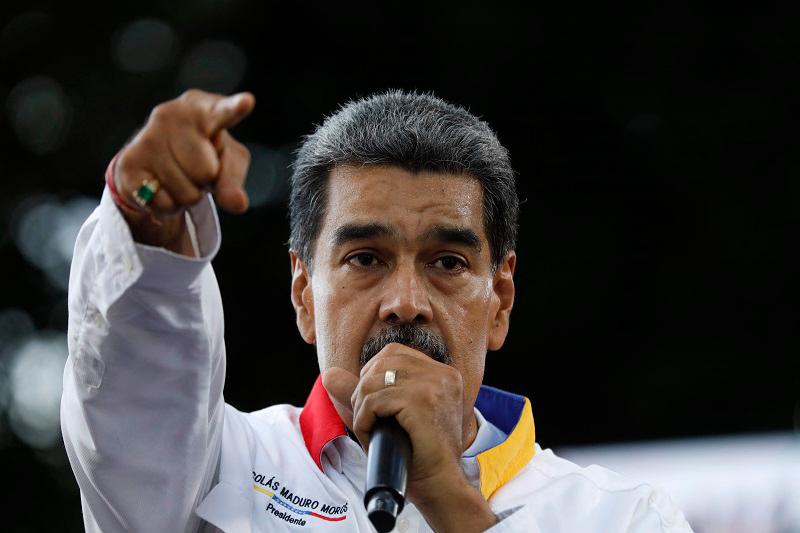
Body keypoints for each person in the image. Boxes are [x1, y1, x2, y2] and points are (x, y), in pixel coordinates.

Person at [61, 88, 693, 532]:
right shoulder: (217, 467)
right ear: (303, 293)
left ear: (499, 300)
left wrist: (446, 494)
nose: (406, 304)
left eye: (447, 262)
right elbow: (134, 378)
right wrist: (147, 218)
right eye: (366, 258)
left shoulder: (623, 517)